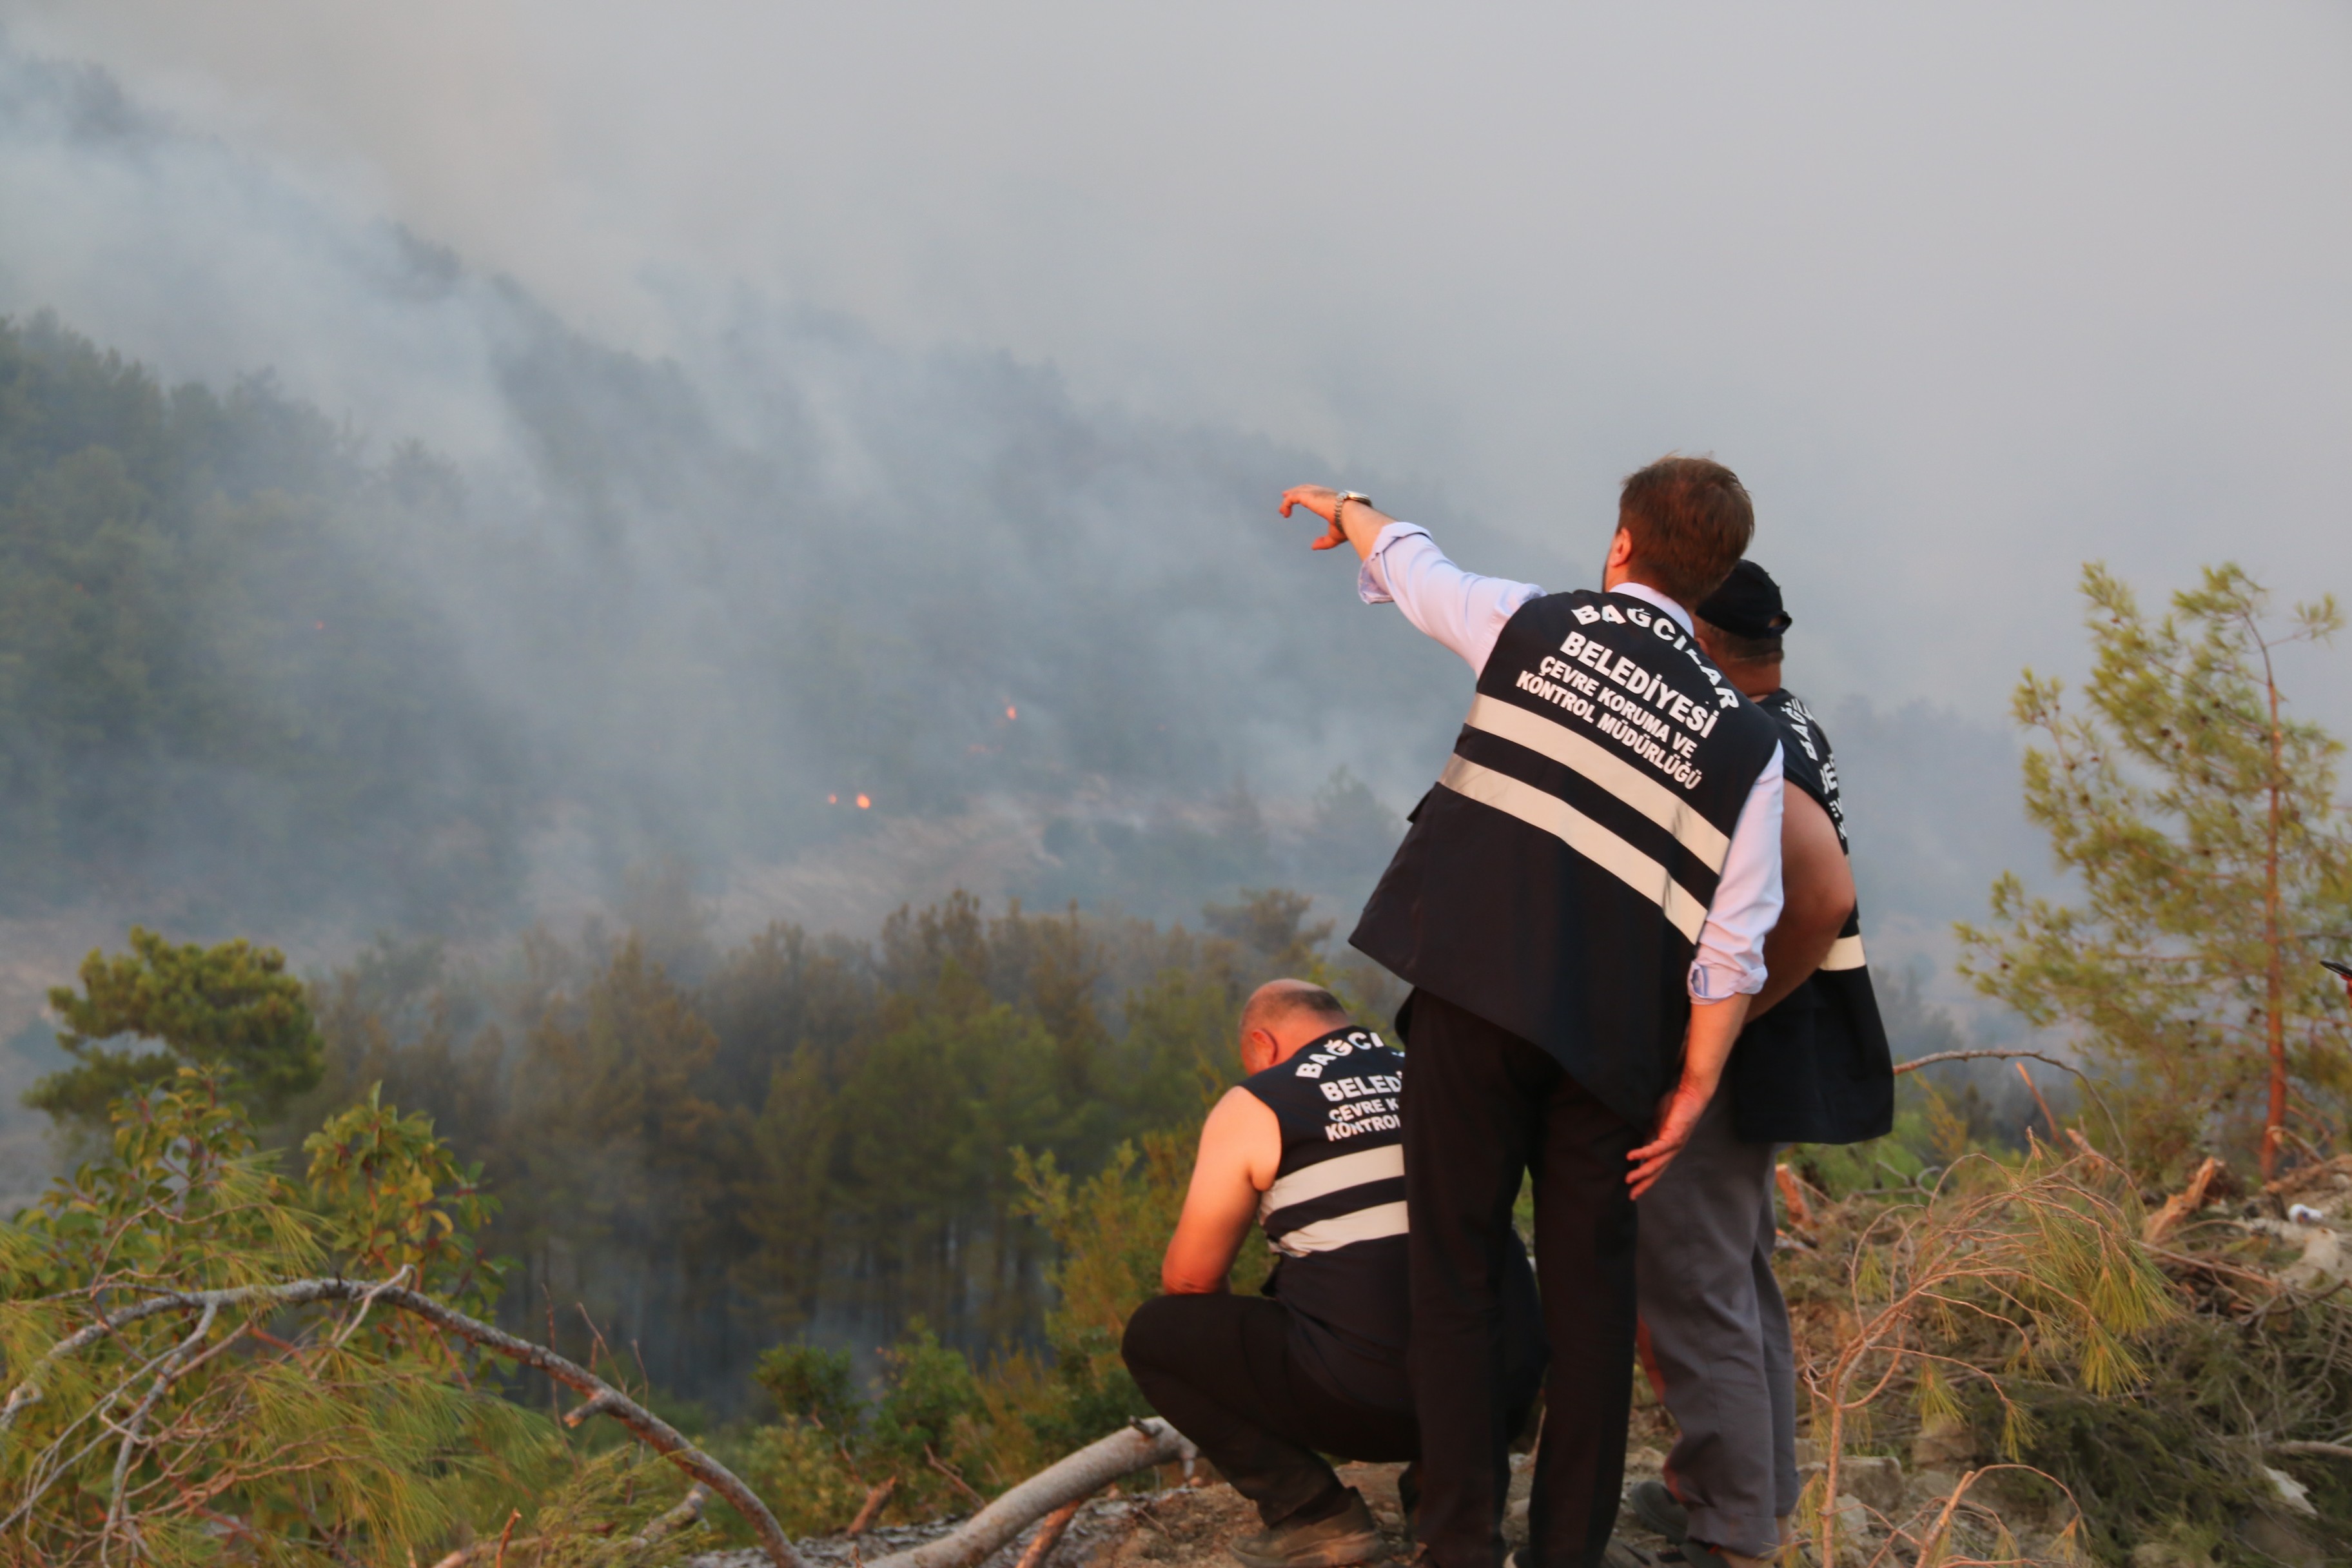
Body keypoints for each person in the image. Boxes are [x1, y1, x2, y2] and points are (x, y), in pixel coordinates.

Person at [1279, 460, 1787, 1568]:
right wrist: (1694, 1083)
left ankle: (1458, 1538)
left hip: (1471, 999)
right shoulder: (1749, 745)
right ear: (1712, 581)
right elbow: (1730, 944)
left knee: (1454, 1272)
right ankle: (1566, 1550)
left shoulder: (1533, 625)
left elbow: (1419, 575)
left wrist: (1349, 509)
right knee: (1592, 1307)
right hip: (1612, 1049)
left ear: (1619, 544)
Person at [1625, 560, 1893, 1567]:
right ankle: (1748, 1486)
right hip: (1776, 1039)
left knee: (1693, 1274)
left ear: (1699, 638)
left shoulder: (1753, 740)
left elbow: (1821, 897)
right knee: (1734, 1266)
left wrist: (1717, 1032)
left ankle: (1733, 1530)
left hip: (1739, 1043)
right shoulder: (1792, 720)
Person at [1122, 979, 1544, 1568]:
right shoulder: (1437, 1072)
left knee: (1156, 1334)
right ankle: (1440, 1493)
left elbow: (1191, 1282)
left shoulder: (1262, 1101)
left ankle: (1312, 1515)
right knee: (1483, 1278)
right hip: (1499, 1393)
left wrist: (1249, 1358)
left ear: (1263, 1045)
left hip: (1369, 1405)